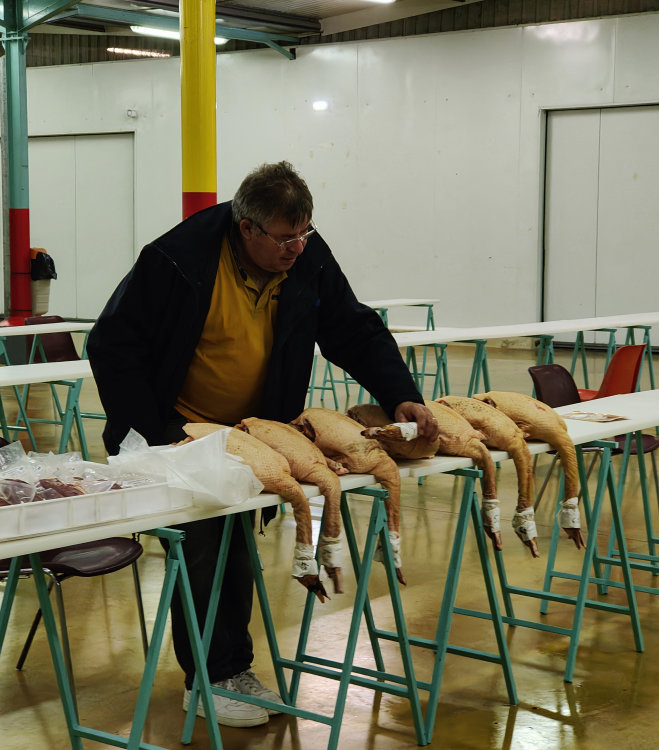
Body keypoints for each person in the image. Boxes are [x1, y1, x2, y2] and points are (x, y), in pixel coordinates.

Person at [87, 160, 437, 727]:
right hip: (183, 431)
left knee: (237, 545)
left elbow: (353, 327)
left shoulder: (306, 259)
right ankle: (208, 676)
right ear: (245, 227)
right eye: (283, 238)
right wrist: (160, 436)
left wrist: (399, 393)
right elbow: (113, 346)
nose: (296, 248)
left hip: (254, 435)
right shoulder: (176, 260)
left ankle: (232, 666)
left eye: (305, 234)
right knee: (202, 549)